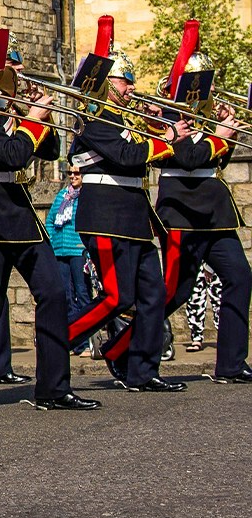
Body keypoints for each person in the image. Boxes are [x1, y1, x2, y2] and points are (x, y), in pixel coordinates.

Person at [0, 26, 98, 411]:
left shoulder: (11, 110)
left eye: (17, 66)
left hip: (17, 211)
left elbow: (48, 151)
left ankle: (53, 387)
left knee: (52, 293)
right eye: (9, 67)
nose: (16, 74)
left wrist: (37, 115)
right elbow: (12, 155)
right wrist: (33, 117)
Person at [65, 28, 197, 391]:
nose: (132, 89)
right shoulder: (93, 119)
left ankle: (142, 369)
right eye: (125, 82)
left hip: (135, 218)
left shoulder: (128, 121)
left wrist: (163, 125)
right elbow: (126, 156)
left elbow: (159, 157)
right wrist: (164, 138)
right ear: (108, 83)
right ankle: (59, 340)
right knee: (117, 296)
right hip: (106, 217)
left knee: (154, 297)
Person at [136, 49, 248, 382]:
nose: (209, 91)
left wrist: (230, 137)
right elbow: (188, 158)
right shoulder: (168, 119)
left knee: (240, 277)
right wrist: (221, 137)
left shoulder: (206, 118)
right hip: (182, 216)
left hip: (215, 215)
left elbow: (215, 161)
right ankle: (126, 349)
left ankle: (230, 364)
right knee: (172, 293)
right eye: (203, 83)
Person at [45, 168, 92, 352]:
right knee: (66, 295)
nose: (73, 176)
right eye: (70, 173)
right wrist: (51, 241)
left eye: (77, 173)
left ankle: (88, 339)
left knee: (82, 293)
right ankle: (75, 340)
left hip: (79, 251)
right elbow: (50, 220)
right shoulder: (62, 195)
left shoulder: (87, 196)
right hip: (60, 251)